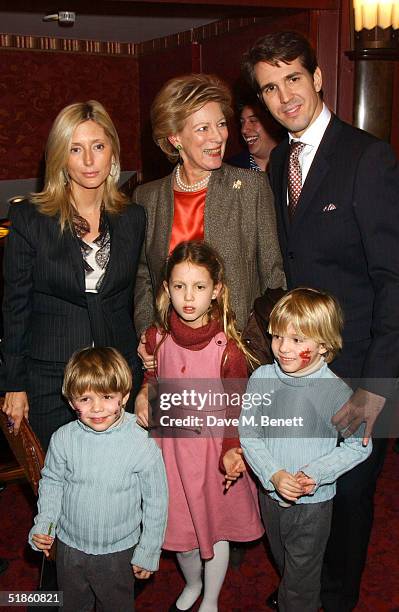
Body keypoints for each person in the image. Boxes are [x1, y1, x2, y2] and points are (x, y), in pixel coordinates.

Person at [242, 31, 399, 611]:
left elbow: (394, 281)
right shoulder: (280, 160)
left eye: (293, 79)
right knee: (301, 491)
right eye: (269, 87)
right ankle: (301, 592)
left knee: (350, 497)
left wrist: (378, 388)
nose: (284, 97)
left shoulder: (368, 156)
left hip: (359, 368)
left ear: (318, 78)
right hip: (296, 370)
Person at [1, 100, 145, 450]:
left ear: (112, 150)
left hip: (118, 376)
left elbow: (140, 289)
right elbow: (15, 308)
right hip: (54, 379)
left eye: (98, 146)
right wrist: (13, 385)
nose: (89, 160)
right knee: (61, 485)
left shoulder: (133, 216)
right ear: (60, 158)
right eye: (75, 149)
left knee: (119, 485)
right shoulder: (31, 218)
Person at [135, 241, 264, 612]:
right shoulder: (156, 338)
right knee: (180, 532)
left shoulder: (228, 350)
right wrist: (146, 391)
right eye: (179, 286)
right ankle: (192, 582)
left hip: (212, 456)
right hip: (171, 455)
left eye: (199, 287)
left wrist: (230, 452)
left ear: (217, 290)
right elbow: (154, 377)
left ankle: (211, 596)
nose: (188, 297)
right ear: (166, 289)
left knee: (214, 528)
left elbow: (235, 410)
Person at [239, 288, 372, 611]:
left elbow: (359, 447)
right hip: (269, 495)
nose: (283, 348)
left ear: (324, 345)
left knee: (299, 585)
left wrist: (315, 473)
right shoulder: (261, 378)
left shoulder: (336, 392)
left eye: (297, 340)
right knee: (286, 564)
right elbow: (249, 432)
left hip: (313, 504)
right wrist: (273, 473)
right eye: (277, 336)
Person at [133, 73, 285, 342]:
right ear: (175, 138)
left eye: (221, 124)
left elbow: (274, 276)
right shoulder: (147, 197)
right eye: (203, 128)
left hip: (236, 349)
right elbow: (145, 277)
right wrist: (148, 334)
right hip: (171, 350)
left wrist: (264, 342)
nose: (218, 137)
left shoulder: (252, 187)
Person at [29, 347, 168, 612]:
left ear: (124, 397)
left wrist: (149, 549)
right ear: (71, 401)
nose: (97, 408)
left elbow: (157, 500)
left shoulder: (141, 441)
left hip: (119, 552)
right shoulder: (63, 438)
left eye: (107, 396)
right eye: (85, 398)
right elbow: (52, 482)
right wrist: (45, 524)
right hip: (70, 547)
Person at [227, 97, 283, 172]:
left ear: (272, 122)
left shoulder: (294, 162)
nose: (244, 129)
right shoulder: (231, 169)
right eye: (242, 122)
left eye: (253, 121)